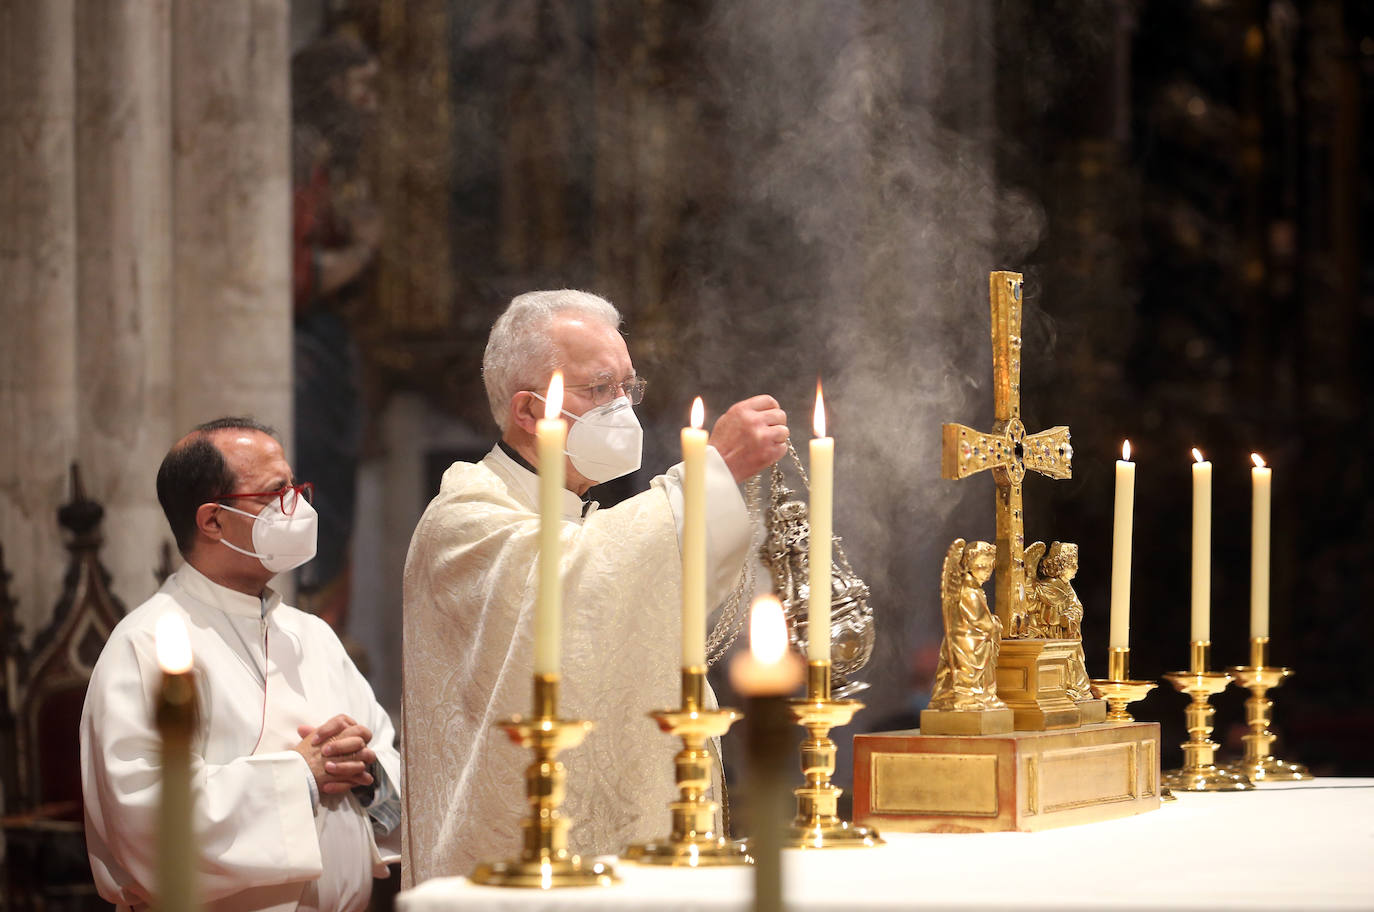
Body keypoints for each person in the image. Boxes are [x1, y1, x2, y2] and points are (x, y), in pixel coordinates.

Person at [400, 290, 789, 885]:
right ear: (530, 412)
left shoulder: (580, 514)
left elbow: (634, 580)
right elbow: (568, 581)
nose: (623, 408)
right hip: (510, 873)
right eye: (599, 389)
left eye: (628, 388)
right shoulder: (464, 518)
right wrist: (715, 470)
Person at [80, 418, 401, 912]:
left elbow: (383, 765)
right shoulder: (149, 646)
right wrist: (303, 776)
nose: (296, 504)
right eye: (276, 492)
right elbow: (149, 817)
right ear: (212, 521)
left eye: (295, 486)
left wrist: (368, 773)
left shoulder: (311, 634)